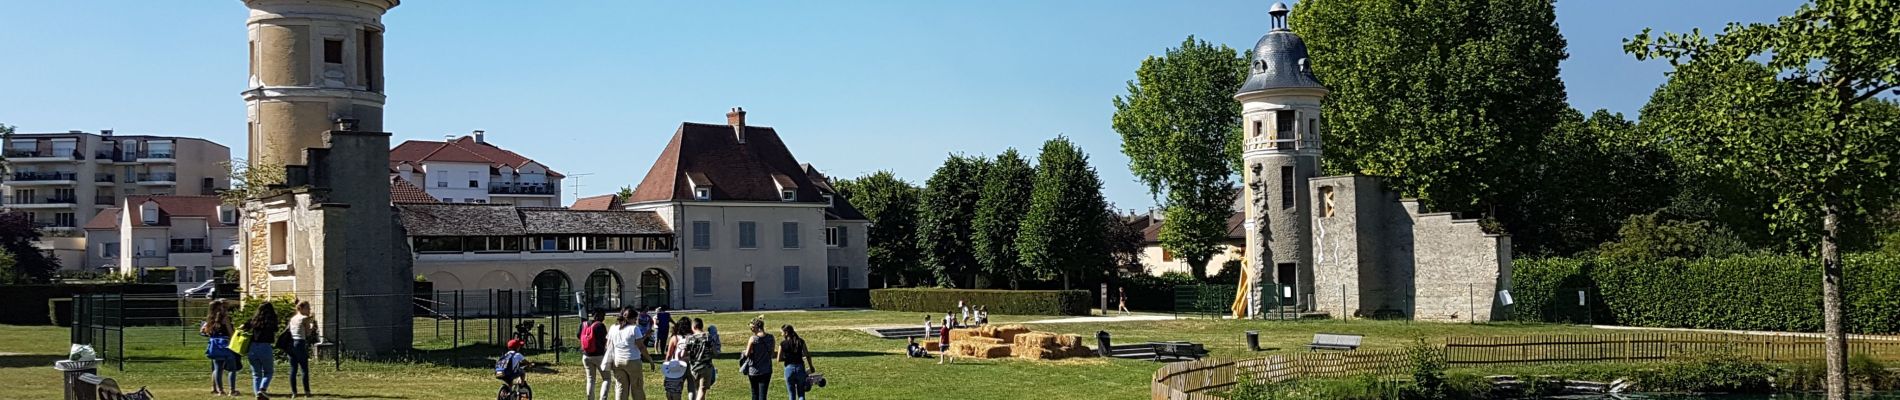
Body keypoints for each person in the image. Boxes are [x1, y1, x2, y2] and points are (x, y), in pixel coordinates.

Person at [238, 303, 279, 399]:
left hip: (252, 347)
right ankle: (262, 389)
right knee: (268, 371)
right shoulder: (271, 320)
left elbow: (241, 327)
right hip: (265, 347)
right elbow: (276, 329)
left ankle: (257, 394)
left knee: (256, 373)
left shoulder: (254, 320)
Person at [605, 307, 647, 400]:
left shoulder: (613, 327)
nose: (636, 321)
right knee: (637, 387)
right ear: (631, 318)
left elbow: (608, 344)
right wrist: (650, 359)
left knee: (621, 387)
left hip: (617, 360)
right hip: (632, 360)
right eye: (635, 319)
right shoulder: (634, 328)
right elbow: (641, 346)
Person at [201, 299, 241, 397]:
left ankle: (220, 391)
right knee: (232, 369)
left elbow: (205, 331)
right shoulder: (225, 318)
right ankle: (232, 390)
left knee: (218, 369)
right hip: (226, 344)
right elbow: (231, 332)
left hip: (215, 346)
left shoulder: (210, 319)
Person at [285, 301, 318, 398]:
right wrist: (312, 327)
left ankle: (294, 392)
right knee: (304, 369)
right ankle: (307, 391)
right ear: (302, 309)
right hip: (300, 343)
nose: (309, 310)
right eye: (308, 308)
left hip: (291, 344)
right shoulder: (304, 318)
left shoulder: (293, 318)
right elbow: (308, 333)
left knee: (293, 369)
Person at [739, 316, 775, 400]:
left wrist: (744, 352)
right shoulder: (771, 337)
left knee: (754, 394)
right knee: (763, 395)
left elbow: (747, 354)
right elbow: (772, 354)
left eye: (752, 328)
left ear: (756, 327)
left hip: (754, 370)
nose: (751, 330)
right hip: (766, 369)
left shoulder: (753, 339)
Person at [579, 309, 610, 400]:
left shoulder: (583, 324)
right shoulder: (600, 325)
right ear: (597, 315)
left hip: (586, 355)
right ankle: (603, 398)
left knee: (590, 379)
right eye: (603, 316)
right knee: (606, 378)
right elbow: (605, 339)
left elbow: (578, 336)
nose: (603, 318)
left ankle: (590, 398)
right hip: (599, 355)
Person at [778, 324, 815, 400]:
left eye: (782, 332)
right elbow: (807, 355)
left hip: (789, 369)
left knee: (791, 394)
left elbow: (779, 359)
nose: (781, 334)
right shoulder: (801, 341)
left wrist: (787, 358)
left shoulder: (783, 344)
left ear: (786, 333)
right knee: (801, 393)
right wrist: (811, 366)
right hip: (800, 368)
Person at [684, 318, 717, 400]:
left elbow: (685, 353)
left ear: (694, 327)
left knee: (697, 389)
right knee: (702, 389)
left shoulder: (689, 338)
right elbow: (714, 351)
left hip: (694, 367)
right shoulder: (708, 337)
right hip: (706, 366)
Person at [661, 317, 693, 400]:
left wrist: (666, 365)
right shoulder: (692, 337)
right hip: (691, 364)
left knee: (676, 389)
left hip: (678, 365)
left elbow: (669, 355)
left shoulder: (674, 338)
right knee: (691, 388)